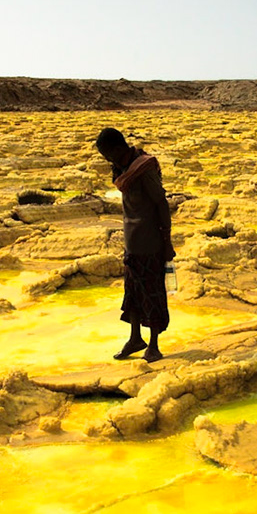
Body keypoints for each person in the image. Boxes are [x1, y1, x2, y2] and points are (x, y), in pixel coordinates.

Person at [95, 126, 174, 362]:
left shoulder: (143, 169)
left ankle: (154, 345)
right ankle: (135, 338)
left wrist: (167, 241)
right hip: (132, 243)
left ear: (119, 148)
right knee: (133, 293)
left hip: (150, 243)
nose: (108, 160)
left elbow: (161, 203)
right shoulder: (124, 170)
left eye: (109, 154)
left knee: (152, 293)